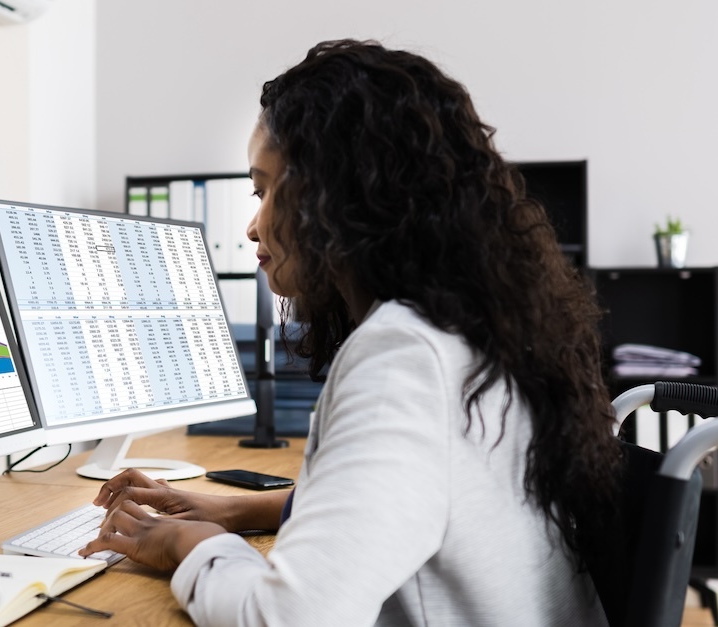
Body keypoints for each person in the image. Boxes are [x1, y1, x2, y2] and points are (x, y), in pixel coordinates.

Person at [79, 39, 621, 626]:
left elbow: (288, 618)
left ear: (330, 195)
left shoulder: (404, 356)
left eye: (263, 191)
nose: (252, 226)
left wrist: (189, 546)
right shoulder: (472, 333)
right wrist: (233, 511)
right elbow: (414, 506)